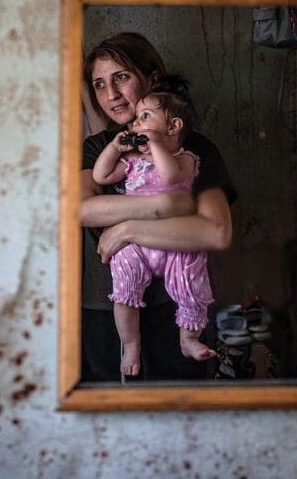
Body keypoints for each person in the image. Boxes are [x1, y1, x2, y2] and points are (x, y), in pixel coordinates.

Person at [80, 32, 237, 382]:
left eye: (121, 77)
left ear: (151, 78)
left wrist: (127, 229)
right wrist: (167, 204)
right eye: (100, 84)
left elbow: (216, 231)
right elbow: (82, 210)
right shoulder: (99, 147)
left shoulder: (194, 149)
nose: (111, 95)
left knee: (181, 418)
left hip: (175, 307)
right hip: (105, 308)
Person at [92, 77, 216, 376]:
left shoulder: (186, 158)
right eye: (135, 120)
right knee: (123, 285)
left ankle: (189, 338)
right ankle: (131, 344)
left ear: (172, 127)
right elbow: (100, 176)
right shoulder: (132, 161)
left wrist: (157, 145)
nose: (136, 124)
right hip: (137, 245)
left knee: (191, 284)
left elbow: (171, 177)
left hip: (173, 241)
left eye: (144, 117)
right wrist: (114, 147)